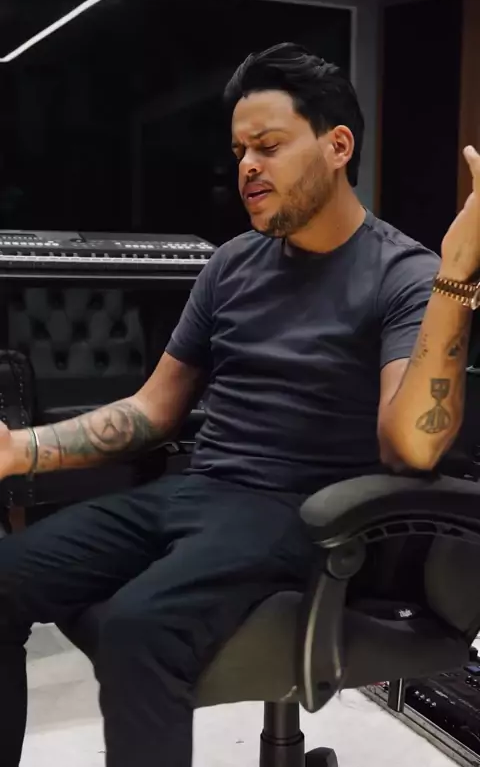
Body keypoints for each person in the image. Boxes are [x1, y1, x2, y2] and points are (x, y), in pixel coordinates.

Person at [0, 43, 478, 767]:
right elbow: (153, 410)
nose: (247, 166)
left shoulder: (402, 274)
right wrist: (19, 450)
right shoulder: (230, 264)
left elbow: (411, 446)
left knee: (139, 628)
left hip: (303, 514)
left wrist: (457, 276)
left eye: (269, 146)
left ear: (337, 146)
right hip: (197, 491)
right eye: (239, 152)